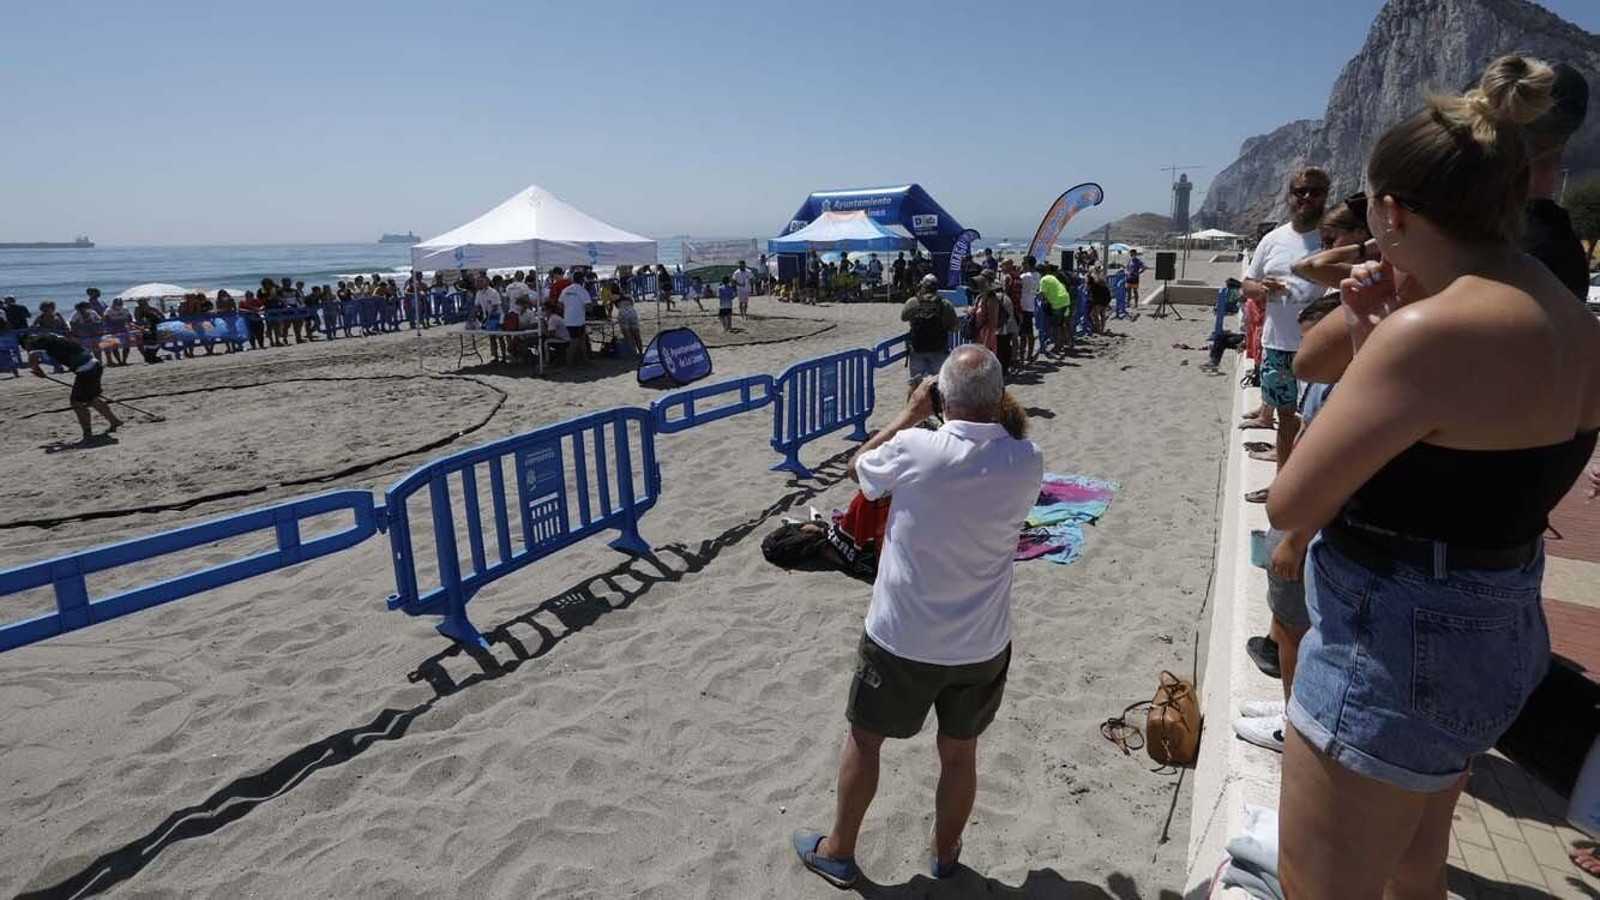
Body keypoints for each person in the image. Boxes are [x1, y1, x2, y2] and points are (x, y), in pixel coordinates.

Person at [1265, 56, 1600, 900]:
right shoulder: (1572, 316)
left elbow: (1294, 497)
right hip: (1499, 614)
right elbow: (1480, 454)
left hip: (1397, 631)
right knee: (1418, 867)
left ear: (1390, 209)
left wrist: (1379, 336)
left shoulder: (1432, 331)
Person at [792, 346, 1043, 889]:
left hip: (902, 634)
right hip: (981, 639)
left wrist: (910, 412)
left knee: (865, 738)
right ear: (999, 398)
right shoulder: (1027, 460)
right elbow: (999, 435)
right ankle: (945, 852)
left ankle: (839, 849)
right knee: (960, 753)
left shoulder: (915, 446)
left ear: (941, 398)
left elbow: (860, 470)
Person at [1239, 166, 1329, 504]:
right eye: (1300, 191)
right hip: (1278, 343)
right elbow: (1248, 284)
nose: (1307, 197)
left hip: (1321, 348)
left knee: (1316, 421)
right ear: (1290, 195)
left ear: (1325, 196)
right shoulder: (1273, 239)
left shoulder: (1332, 239)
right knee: (1285, 417)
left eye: (1315, 191)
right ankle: (1282, 485)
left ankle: (1305, 487)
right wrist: (1262, 288)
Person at [20, 331, 122, 441]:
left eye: (26, 347)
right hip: (94, 364)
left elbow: (32, 361)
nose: (28, 349)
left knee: (76, 402)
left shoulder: (37, 342)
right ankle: (114, 421)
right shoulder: (50, 335)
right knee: (91, 399)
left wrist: (39, 372)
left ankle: (87, 434)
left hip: (85, 370)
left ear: (27, 341)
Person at [900, 273, 959, 393]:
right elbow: (955, 327)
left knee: (916, 385)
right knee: (940, 384)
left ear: (922, 286)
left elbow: (903, 317)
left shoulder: (913, 301)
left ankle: (916, 408)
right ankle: (937, 408)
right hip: (939, 349)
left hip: (917, 349)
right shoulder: (945, 304)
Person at [1037, 265, 1073, 353]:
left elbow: (1041, 296)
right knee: (1063, 323)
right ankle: (1068, 341)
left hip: (1058, 302)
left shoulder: (1043, 280)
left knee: (1056, 326)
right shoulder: (1052, 277)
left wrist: (1039, 297)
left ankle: (1057, 346)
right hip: (1065, 299)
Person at [559, 274, 591, 363]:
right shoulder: (582, 291)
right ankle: (569, 362)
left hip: (568, 320)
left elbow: (560, 305)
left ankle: (585, 360)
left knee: (581, 340)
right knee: (576, 342)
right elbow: (588, 307)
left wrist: (569, 309)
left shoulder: (565, 290)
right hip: (578, 320)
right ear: (581, 280)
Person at [1016, 255, 1040, 362]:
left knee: (1023, 334)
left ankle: (1022, 355)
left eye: (1024, 263)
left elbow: (1017, 282)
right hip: (1031, 306)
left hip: (1023, 306)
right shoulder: (1037, 275)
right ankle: (1029, 354)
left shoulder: (1024, 276)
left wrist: (1020, 272)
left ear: (1028, 264)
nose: (1022, 264)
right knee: (1029, 332)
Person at [101, 297, 134, 366]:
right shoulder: (109, 310)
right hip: (113, 330)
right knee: (114, 346)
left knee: (127, 345)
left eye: (120, 302)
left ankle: (124, 360)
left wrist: (129, 323)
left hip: (124, 328)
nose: (119, 304)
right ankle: (119, 361)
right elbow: (105, 320)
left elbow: (129, 317)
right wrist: (110, 327)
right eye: (117, 302)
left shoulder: (125, 308)